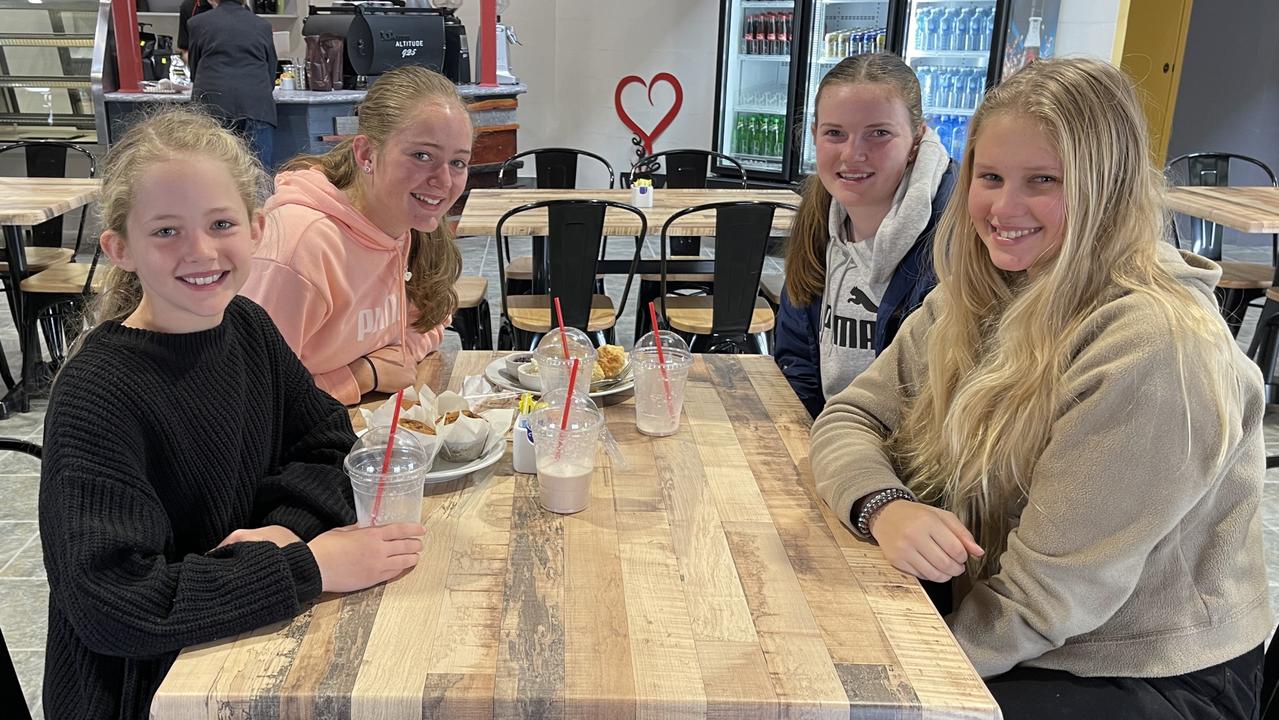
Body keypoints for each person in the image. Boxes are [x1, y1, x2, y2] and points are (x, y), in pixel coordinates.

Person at [811, 58, 1271, 718]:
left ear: (1104, 190)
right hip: (1013, 621)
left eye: (1042, 181)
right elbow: (848, 416)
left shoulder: (1156, 348)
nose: (1004, 208)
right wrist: (884, 505)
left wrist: (888, 686)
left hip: (1137, 668)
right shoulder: (977, 296)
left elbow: (1042, 600)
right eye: (990, 177)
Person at [39, 109, 426, 720]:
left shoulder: (247, 328)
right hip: (148, 691)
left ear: (255, 228)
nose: (201, 251)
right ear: (120, 249)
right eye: (166, 231)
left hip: (244, 641)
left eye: (221, 223)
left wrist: (283, 529)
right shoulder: (97, 395)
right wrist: (305, 566)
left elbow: (327, 443)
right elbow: (111, 605)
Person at [240, 65, 468, 406]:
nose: (445, 181)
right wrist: (362, 376)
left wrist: (400, 355)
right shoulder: (300, 245)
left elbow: (434, 318)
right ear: (365, 154)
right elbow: (251, 398)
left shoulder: (409, 227)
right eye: (422, 156)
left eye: (458, 163)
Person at [775, 53, 956, 418]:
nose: (853, 153)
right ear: (814, 136)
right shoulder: (817, 221)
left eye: (879, 134)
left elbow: (938, 402)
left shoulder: (955, 238)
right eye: (835, 133)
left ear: (916, 140)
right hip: (830, 440)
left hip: (901, 465)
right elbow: (798, 361)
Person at [186, 0, 277, 169]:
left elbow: (194, 69)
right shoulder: (262, 25)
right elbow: (271, 71)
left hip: (212, 105)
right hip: (256, 106)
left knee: (213, 172)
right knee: (259, 174)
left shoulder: (197, 23)